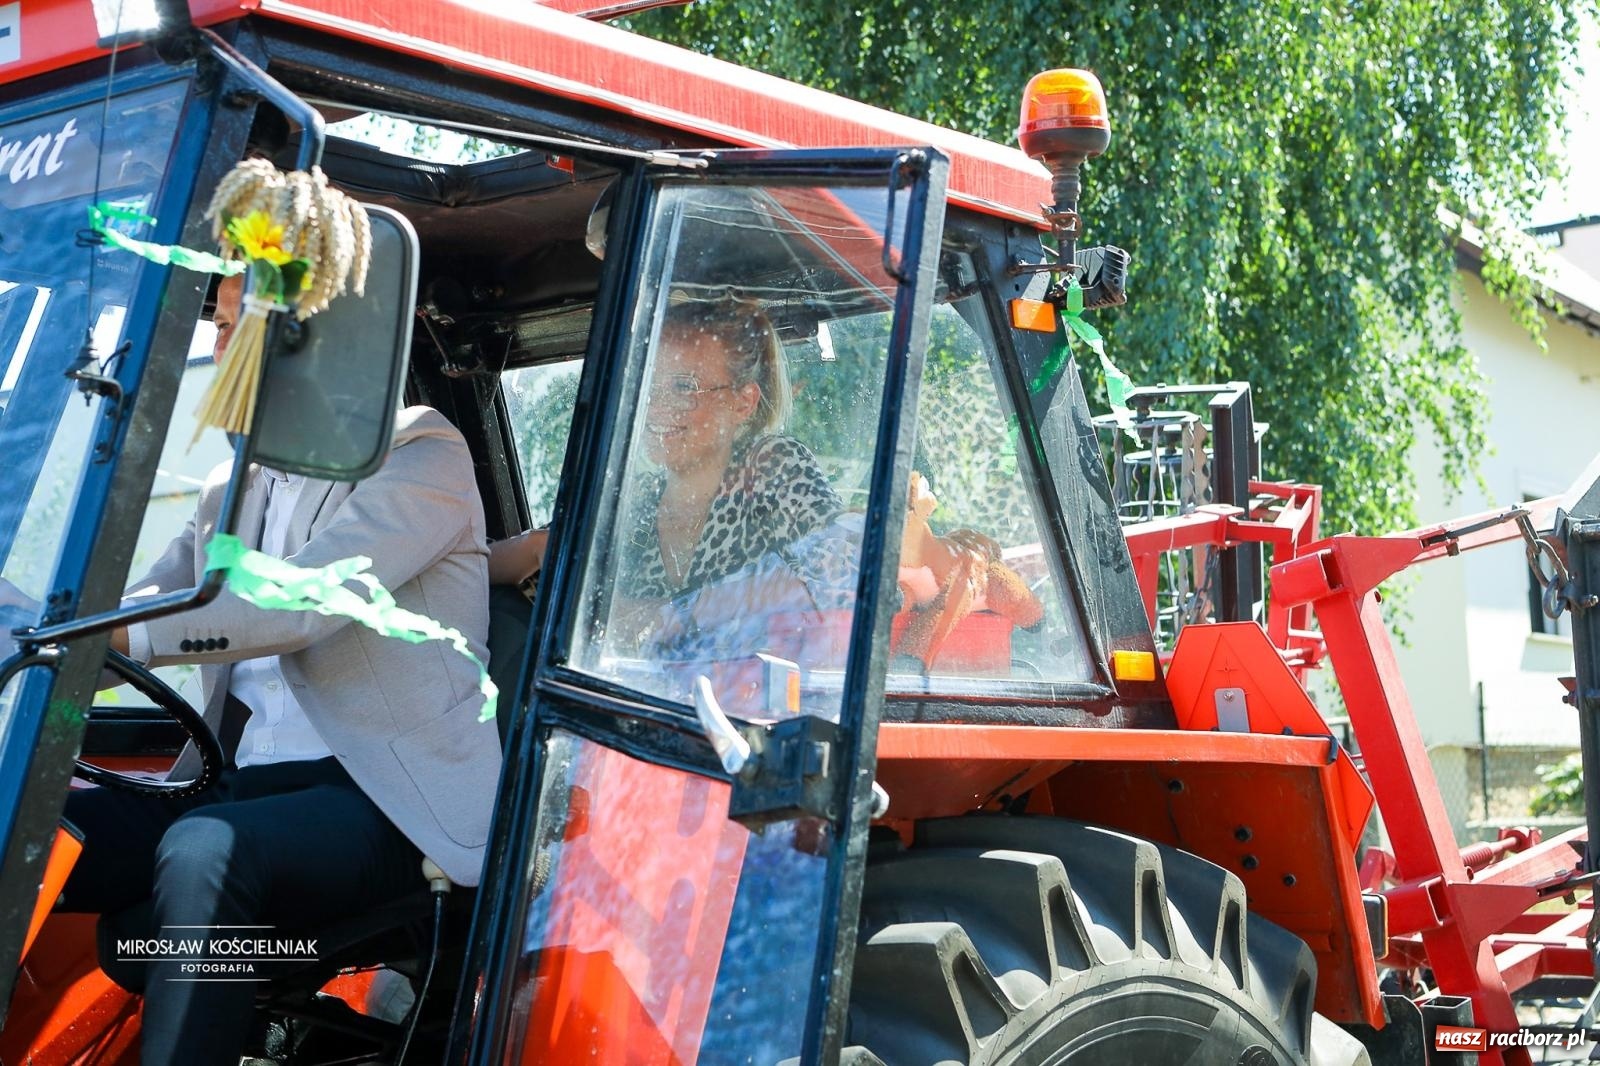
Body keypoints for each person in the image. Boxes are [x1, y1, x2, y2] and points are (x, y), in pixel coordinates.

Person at [6, 273, 500, 1065]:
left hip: (380, 798)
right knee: (21, 816)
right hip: (239, 782)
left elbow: (299, 605)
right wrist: (34, 629)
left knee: (207, 849)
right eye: (222, 324)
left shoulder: (420, 452)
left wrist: (109, 642)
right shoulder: (228, 487)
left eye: (244, 325)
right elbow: (135, 608)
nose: (220, 346)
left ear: (323, 338)